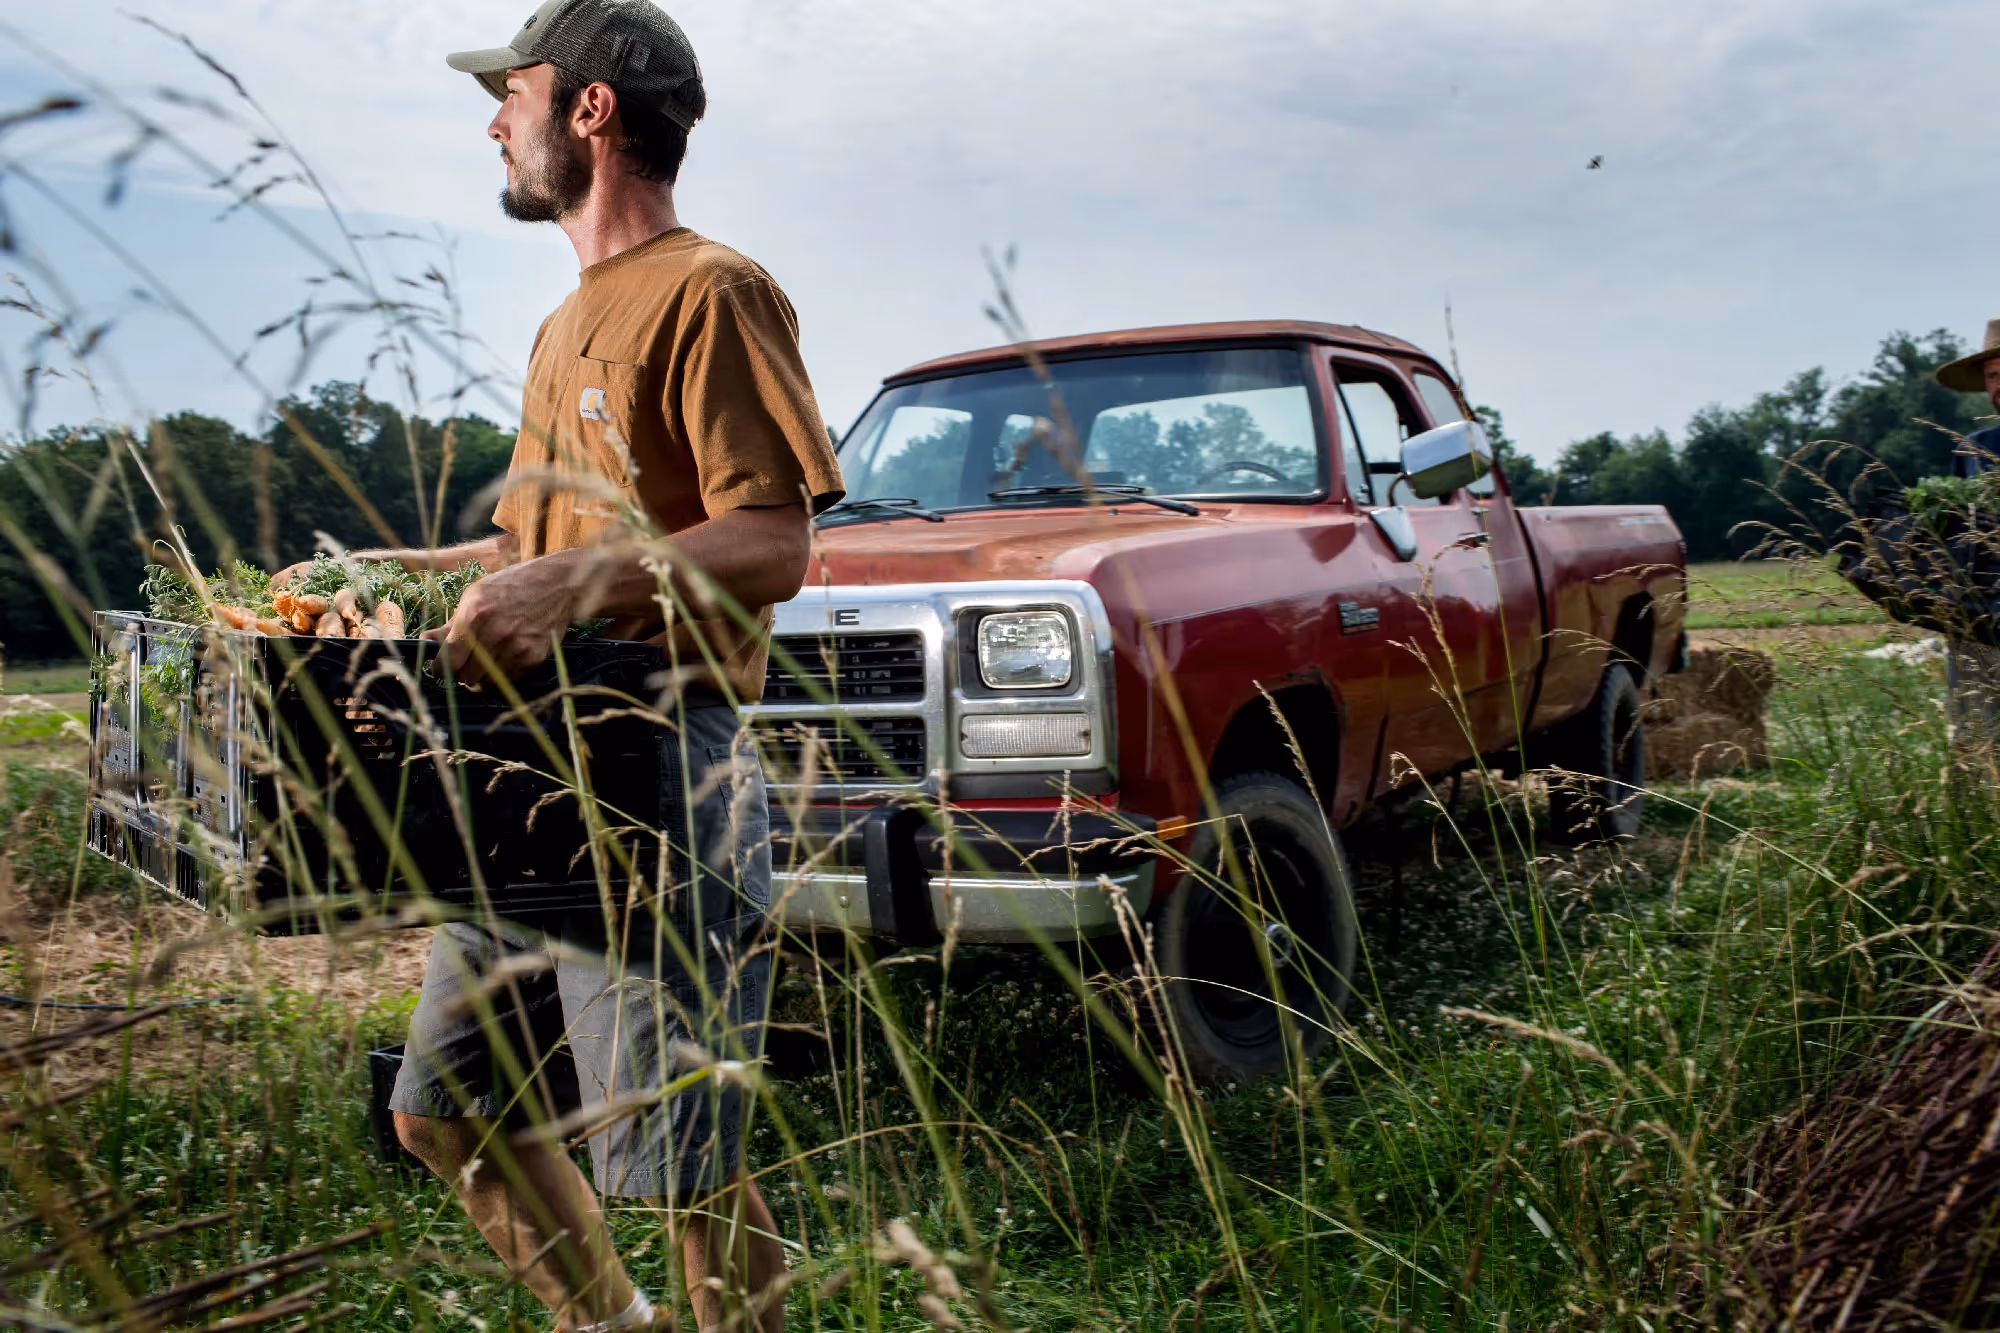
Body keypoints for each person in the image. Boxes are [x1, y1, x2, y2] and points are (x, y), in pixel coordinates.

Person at [276, 3, 842, 1328]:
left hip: (656, 779)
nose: (494, 120)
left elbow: (774, 538)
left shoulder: (712, 290)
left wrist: (573, 581)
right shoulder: (566, 321)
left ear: (589, 110)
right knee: (444, 1115)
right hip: (518, 781)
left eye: (512, 93)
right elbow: (535, 548)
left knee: (676, 1170)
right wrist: (386, 570)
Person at [1932, 321, 2000, 744]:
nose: (1999, 384)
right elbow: (1955, 533)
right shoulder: (1973, 449)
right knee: (1976, 739)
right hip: (1981, 617)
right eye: (1992, 375)